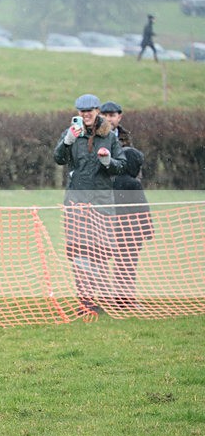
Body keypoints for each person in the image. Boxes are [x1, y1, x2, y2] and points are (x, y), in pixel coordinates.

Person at [54, 93, 127, 315]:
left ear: (97, 111)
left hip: (102, 204)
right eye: (81, 111)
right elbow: (58, 159)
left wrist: (108, 161)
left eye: (90, 111)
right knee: (79, 254)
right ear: (78, 113)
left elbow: (122, 166)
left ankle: (100, 298)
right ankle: (85, 301)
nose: (85, 115)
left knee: (101, 254)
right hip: (76, 203)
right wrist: (67, 141)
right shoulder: (72, 133)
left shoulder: (110, 137)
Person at [112, 147, 153, 310]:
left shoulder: (112, 181)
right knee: (128, 267)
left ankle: (117, 298)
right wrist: (148, 231)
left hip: (115, 230)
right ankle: (126, 300)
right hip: (132, 233)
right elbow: (143, 209)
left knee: (119, 266)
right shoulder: (134, 184)